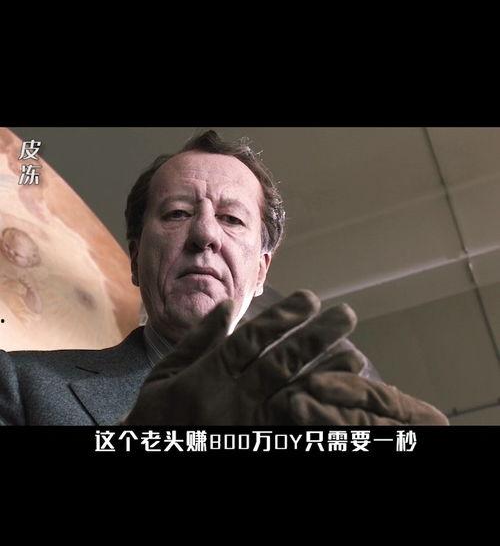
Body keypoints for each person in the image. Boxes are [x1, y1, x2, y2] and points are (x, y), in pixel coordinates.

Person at [0, 131, 448, 426]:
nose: (205, 234)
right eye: (177, 213)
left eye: (232, 219)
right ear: (135, 258)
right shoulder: (20, 384)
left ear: (261, 270)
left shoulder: (315, 421)